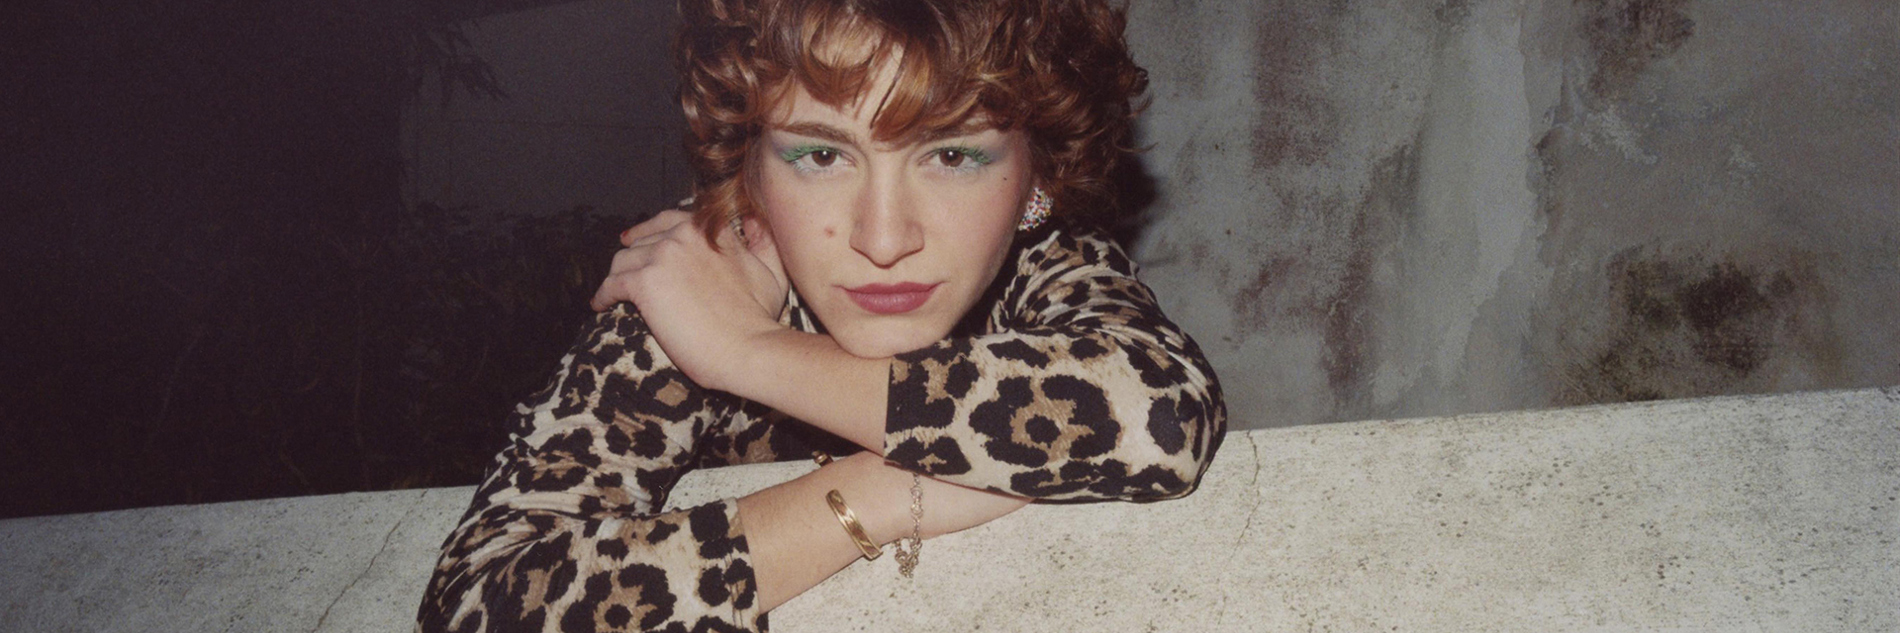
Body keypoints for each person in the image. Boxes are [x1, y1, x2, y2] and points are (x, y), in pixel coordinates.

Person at [416, 0, 1225, 630]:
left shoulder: (1046, 262)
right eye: (821, 154)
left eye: (952, 154)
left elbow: (1159, 412)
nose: (882, 238)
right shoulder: (703, 283)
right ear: (751, 170)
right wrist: (873, 498)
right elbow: (478, 604)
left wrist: (750, 353)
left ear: (1036, 176)